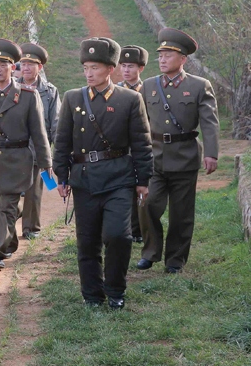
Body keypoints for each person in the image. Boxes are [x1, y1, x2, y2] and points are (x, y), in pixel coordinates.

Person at [53, 37, 152, 309]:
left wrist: (143, 180)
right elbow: (62, 141)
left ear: (111, 69)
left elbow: (142, 141)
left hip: (119, 177)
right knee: (87, 241)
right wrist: (61, 176)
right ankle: (93, 295)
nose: (88, 73)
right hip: (84, 179)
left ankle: (116, 290)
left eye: (94, 67)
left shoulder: (130, 99)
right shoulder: (73, 97)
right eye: (85, 67)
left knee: (118, 236)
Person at [137, 28, 219, 274]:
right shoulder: (148, 86)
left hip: (184, 156)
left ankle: (175, 259)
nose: (162, 60)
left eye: (168, 55)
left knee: (181, 214)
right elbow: (138, 122)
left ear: (183, 59)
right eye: (160, 55)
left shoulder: (198, 86)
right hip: (154, 156)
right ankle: (151, 252)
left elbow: (209, 122)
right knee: (147, 204)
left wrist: (211, 153)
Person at [0, 39, 51, 271]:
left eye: (3, 64)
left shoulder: (29, 95)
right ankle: (9, 239)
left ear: (13, 67)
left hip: (17, 160)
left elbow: (39, 133)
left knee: (5, 208)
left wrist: (46, 163)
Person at [17, 42, 60, 240]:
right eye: (23, 64)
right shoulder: (13, 87)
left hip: (36, 149)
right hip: (14, 148)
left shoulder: (49, 91)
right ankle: (13, 215)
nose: (25, 68)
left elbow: (55, 123)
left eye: (30, 65)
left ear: (39, 67)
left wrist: (50, 154)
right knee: (10, 189)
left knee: (34, 191)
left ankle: (31, 228)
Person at [116, 44, 148, 243]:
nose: (127, 70)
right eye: (124, 66)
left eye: (131, 66)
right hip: (121, 148)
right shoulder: (115, 91)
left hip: (143, 146)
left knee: (143, 187)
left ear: (140, 69)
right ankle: (128, 228)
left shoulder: (149, 91)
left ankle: (140, 229)